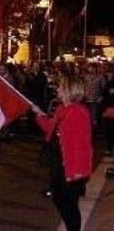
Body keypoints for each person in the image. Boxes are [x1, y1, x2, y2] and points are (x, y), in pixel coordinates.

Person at [31, 75, 93, 231]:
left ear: (69, 90)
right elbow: (50, 129)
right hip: (59, 163)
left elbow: (82, 145)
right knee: (60, 198)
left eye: (61, 87)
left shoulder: (78, 112)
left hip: (71, 167)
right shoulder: (61, 109)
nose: (57, 89)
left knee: (69, 204)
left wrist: (77, 172)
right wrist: (39, 114)